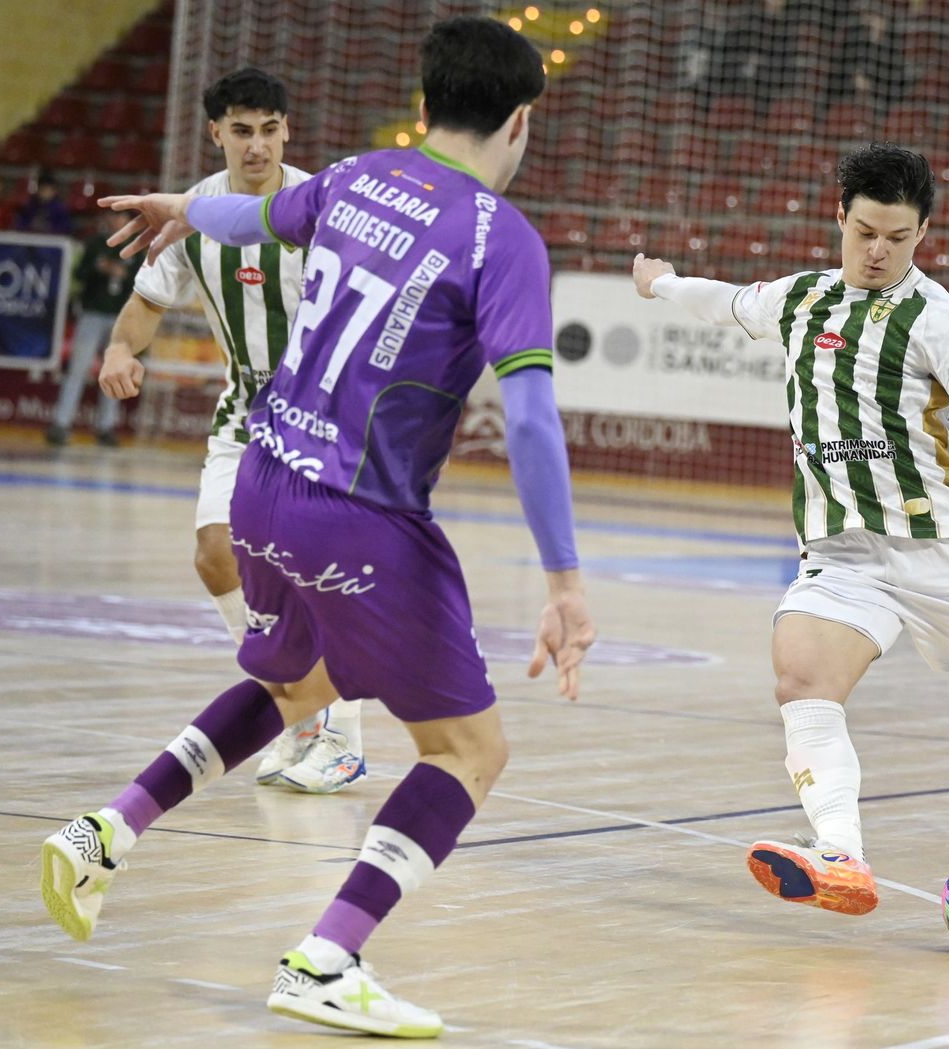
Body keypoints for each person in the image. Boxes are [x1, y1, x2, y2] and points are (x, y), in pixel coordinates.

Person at [42, 16, 592, 1037]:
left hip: (260, 477)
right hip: (363, 516)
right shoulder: (500, 237)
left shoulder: (357, 175)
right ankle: (328, 957)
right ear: (522, 121)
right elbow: (526, 413)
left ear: (424, 107)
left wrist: (181, 206)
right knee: (468, 752)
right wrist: (564, 580)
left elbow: (258, 215)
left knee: (296, 682)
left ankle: (105, 828)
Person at [632, 144, 949, 917]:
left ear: (923, 233)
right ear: (839, 215)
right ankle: (842, 854)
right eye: (866, 230)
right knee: (801, 676)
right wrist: (662, 283)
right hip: (842, 556)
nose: (879, 251)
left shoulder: (941, 319)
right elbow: (728, 301)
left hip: (945, 558)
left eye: (899, 238)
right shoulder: (800, 299)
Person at [95, 67, 368, 793]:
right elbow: (148, 303)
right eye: (241, 131)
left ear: (287, 131)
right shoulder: (192, 213)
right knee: (216, 555)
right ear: (216, 133)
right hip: (244, 407)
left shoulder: (319, 206)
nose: (257, 145)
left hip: (321, 412)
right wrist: (122, 348)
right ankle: (298, 710)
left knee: (306, 565)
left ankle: (341, 736)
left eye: (269, 129)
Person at [45, 209, 141, 447]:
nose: (116, 221)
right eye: (114, 217)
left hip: (120, 319)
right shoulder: (96, 243)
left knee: (116, 374)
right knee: (78, 369)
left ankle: (106, 427)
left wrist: (123, 275)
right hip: (92, 314)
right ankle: (61, 423)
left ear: (129, 222)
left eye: (122, 218)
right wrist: (100, 269)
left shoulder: (137, 248)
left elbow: (142, 284)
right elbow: (79, 274)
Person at [14, 170, 73, 235]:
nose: (44, 193)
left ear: (54, 191)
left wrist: (48, 230)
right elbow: (21, 224)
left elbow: (64, 228)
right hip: (30, 239)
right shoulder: (30, 206)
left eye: (48, 190)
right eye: (42, 190)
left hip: (52, 240)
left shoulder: (60, 209)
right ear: (38, 190)